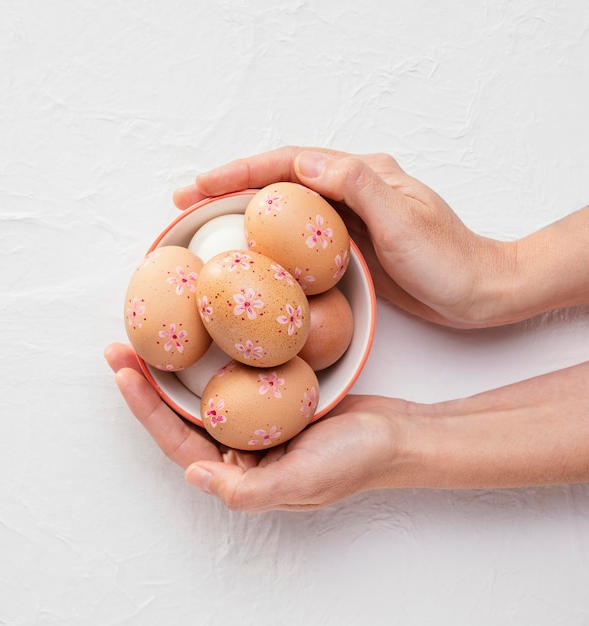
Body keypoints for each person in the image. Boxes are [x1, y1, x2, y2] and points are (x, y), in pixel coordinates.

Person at [104, 146, 589, 513]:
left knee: (296, 324)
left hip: (259, 308)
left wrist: (400, 445)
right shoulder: (232, 287)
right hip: (249, 309)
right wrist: (495, 275)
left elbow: (255, 303)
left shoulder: (258, 298)